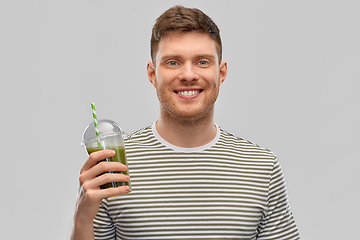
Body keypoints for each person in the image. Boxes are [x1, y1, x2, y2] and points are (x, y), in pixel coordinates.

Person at [71, 5, 300, 240]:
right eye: (173, 62)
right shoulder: (113, 165)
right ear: (152, 74)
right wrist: (82, 218)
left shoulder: (262, 168)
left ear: (221, 73)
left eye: (202, 62)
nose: (188, 74)